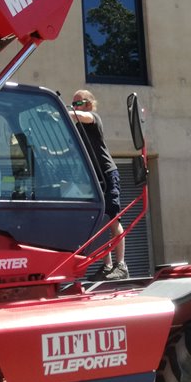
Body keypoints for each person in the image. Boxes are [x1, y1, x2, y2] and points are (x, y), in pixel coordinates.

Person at [70, 89, 128, 280]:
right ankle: (107, 265)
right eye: (73, 104)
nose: (75, 107)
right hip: (95, 179)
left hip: (108, 174)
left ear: (88, 104)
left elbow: (83, 116)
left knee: (113, 220)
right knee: (100, 223)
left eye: (78, 103)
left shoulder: (93, 118)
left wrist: (63, 112)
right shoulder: (79, 128)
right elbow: (69, 150)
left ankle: (121, 265)